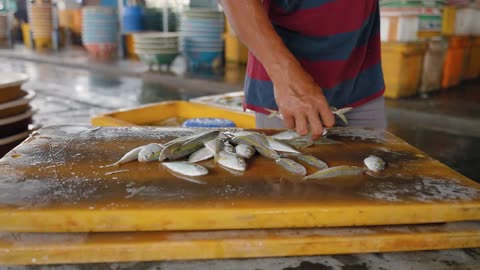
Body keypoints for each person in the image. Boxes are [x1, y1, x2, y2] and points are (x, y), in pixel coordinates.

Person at [219, 0, 386, 140]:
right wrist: (284, 75)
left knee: (370, 173)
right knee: (291, 176)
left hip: (362, 81)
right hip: (285, 98)